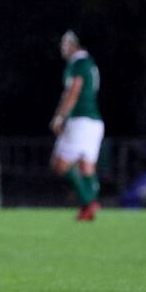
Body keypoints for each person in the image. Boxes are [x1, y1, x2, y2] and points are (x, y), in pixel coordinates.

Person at [49, 30, 104, 221]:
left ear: (74, 44)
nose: (62, 48)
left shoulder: (78, 63)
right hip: (94, 120)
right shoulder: (90, 62)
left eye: (64, 43)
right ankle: (88, 208)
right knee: (86, 166)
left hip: (80, 119)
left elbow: (73, 91)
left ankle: (89, 201)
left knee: (59, 164)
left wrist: (60, 116)